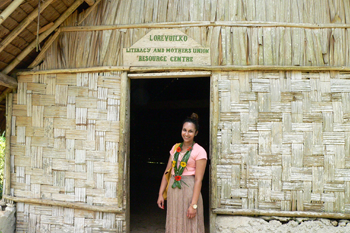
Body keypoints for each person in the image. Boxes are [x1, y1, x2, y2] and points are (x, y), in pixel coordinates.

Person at [157, 113, 207, 233]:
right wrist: (160, 194)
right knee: (175, 222)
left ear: (196, 133)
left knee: (189, 223)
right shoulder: (175, 148)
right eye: (184, 130)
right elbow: (167, 172)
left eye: (190, 131)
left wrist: (193, 205)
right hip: (174, 191)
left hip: (189, 191)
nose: (186, 133)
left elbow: (198, 180)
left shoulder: (200, 151)